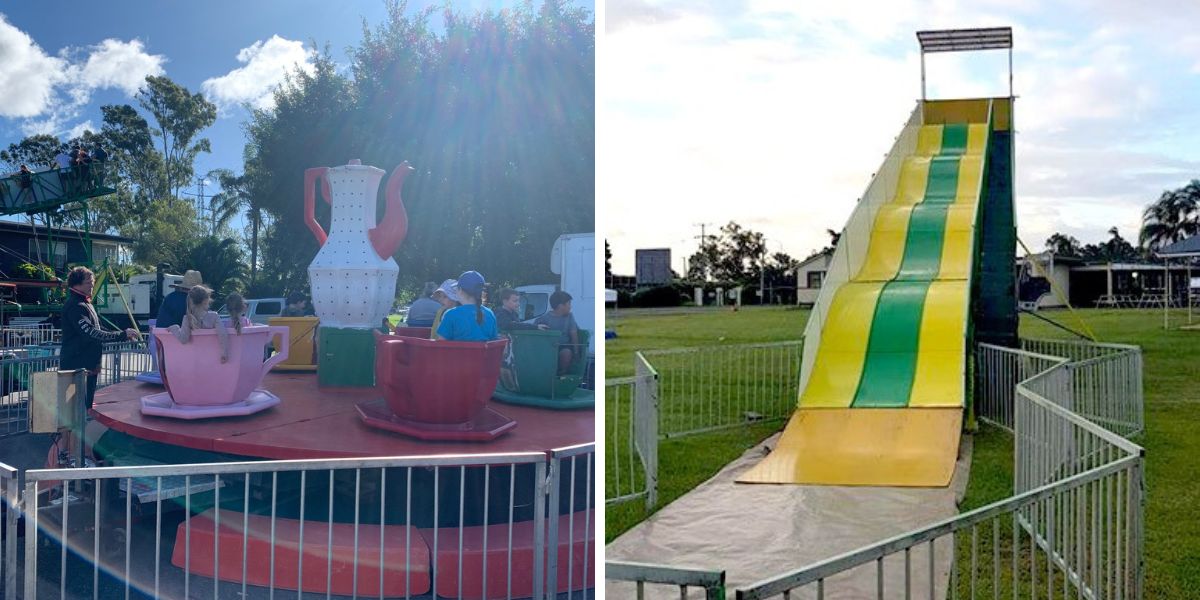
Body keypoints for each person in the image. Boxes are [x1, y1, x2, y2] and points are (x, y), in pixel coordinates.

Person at [60, 266, 139, 411]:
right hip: (75, 368)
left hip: (86, 367)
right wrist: (122, 334)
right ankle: (65, 435)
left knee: (83, 407)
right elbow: (91, 333)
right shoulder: (75, 305)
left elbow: (99, 329)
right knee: (71, 410)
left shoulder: (85, 303)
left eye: (93, 282)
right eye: (89, 282)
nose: (92, 285)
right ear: (77, 284)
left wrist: (123, 334)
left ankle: (71, 433)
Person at [168, 285, 231, 363]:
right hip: (212, 359)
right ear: (206, 300)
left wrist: (175, 328)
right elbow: (223, 334)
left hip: (194, 361)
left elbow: (183, 339)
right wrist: (224, 352)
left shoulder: (187, 319)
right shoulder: (214, 317)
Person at [435, 271, 498, 342]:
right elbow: (494, 342)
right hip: (483, 353)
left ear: (460, 290)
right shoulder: (490, 314)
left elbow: (441, 345)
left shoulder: (450, 314)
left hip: (456, 353)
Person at [534, 290, 580, 375]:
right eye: (569, 304)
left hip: (564, 346)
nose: (571, 307)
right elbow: (536, 337)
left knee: (566, 353)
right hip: (548, 347)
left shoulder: (570, 317)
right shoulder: (543, 319)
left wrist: (576, 352)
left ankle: (561, 374)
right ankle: (545, 374)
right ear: (561, 306)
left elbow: (574, 334)